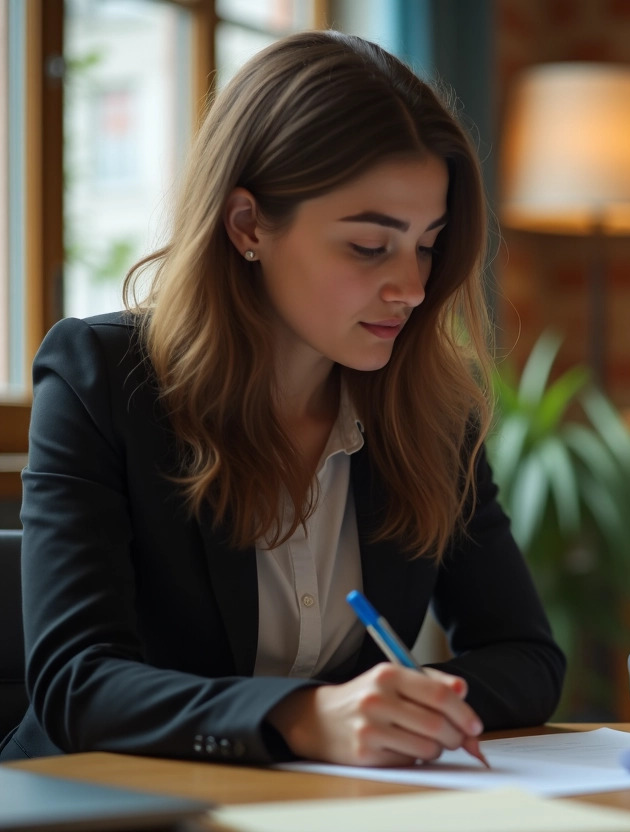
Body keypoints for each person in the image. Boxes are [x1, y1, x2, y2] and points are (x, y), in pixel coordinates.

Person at [2, 30, 564, 766]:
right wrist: (302, 718)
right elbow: (76, 684)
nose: (414, 287)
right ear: (248, 225)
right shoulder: (100, 380)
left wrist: (402, 710)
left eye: (427, 243)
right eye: (370, 246)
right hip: (105, 804)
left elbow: (525, 657)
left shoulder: (431, 412)